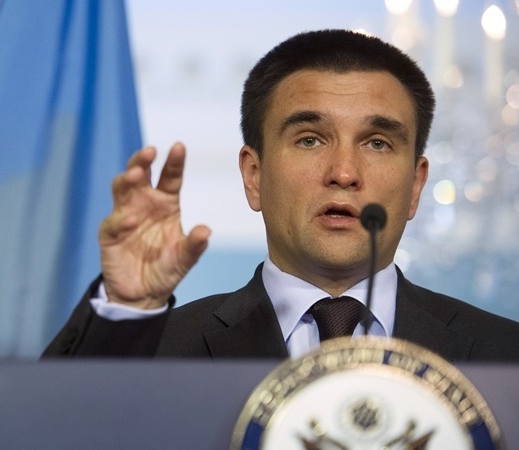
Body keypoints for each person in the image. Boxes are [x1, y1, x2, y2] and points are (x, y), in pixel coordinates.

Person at [43, 29, 519, 362]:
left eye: (377, 143)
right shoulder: (159, 349)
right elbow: (46, 430)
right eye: (310, 139)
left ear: (415, 186)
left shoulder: (504, 355)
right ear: (253, 175)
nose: (344, 173)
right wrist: (125, 308)